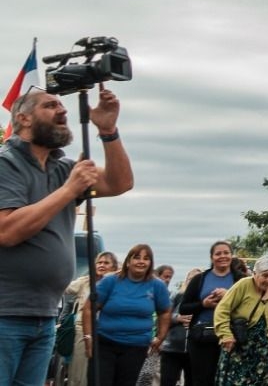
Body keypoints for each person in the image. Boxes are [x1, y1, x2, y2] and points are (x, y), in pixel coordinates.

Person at [0, 86, 133, 386]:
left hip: (45, 314)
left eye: (62, 106)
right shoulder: (5, 163)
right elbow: (6, 231)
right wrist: (70, 191)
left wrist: (108, 131)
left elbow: (120, 182)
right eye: (50, 106)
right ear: (23, 118)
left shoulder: (63, 169)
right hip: (5, 313)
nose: (62, 111)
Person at [85, 242, 172, 386]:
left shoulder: (157, 285)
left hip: (136, 346)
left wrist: (160, 337)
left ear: (150, 263)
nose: (141, 261)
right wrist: (88, 335)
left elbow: (165, 312)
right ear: (128, 261)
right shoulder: (110, 281)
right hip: (104, 344)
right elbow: (89, 308)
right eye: (137, 257)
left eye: (146, 258)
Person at [215, 255, 268, 386]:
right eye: (265, 275)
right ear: (255, 273)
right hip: (239, 350)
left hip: (265, 356)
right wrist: (225, 334)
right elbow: (222, 310)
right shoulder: (243, 285)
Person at [182, 241, 250, 386]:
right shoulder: (199, 279)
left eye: (226, 253)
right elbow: (184, 308)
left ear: (231, 256)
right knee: (202, 380)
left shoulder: (242, 280)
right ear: (212, 257)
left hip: (231, 337)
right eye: (218, 253)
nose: (222, 256)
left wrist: (229, 296)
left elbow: (249, 307)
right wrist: (203, 304)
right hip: (202, 338)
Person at [63, 251, 119, 386]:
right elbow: (65, 288)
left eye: (106, 263)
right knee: (79, 371)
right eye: (99, 262)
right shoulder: (86, 281)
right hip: (83, 329)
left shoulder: (118, 283)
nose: (102, 265)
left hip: (107, 331)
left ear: (114, 267)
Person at [161, 267, 201, 386]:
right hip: (172, 348)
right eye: (191, 279)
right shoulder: (177, 295)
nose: (193, 282)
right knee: (167, 381)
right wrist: (177, 318)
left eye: (197, 280)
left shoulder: (205, 300)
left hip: (194, 350)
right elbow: (163, 315)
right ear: (186, 280)